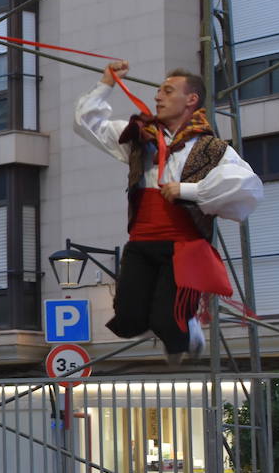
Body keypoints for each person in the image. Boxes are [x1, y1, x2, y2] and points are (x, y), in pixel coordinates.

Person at [74, 61, 262, 365]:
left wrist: (189, 191)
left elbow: (247, 187)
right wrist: (106, 83)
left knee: (168, 322)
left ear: (191, 100)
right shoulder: (140, 137)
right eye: (158, 91)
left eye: (167, 91)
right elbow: (87, 123)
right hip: (141, 240)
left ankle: (185, 328)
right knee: (128, 319)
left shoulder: (211, 148)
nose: (158, 97)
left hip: (182, 246)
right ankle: (171, 326)